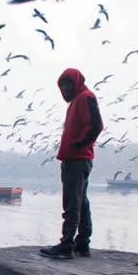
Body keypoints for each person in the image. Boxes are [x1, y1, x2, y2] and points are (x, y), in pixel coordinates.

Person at [40, 68, 104, 260]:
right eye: (62, 85)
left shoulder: (84, 98)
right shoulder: (78, 100)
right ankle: (82, 243)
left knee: (72, 203)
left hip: (77, 159)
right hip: (77, 158)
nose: (65, 88)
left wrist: (79, 144)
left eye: (68, 83)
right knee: (81, 202)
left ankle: (67, 244)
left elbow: (96, 125)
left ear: (76, 82)